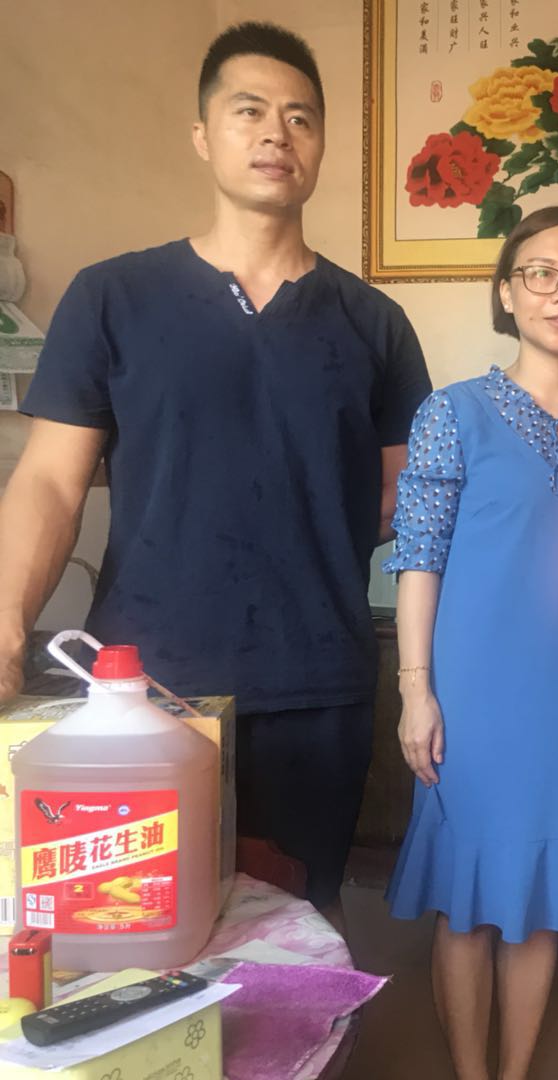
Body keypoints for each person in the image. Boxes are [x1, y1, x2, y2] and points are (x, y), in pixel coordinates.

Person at [0, 22, 432, 923]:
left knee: (296, 933)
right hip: (143, 688)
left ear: (321, 145)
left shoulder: (374, 324)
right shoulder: (113, 297)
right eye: (250, 111)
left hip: (318, 685)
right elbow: (48, 483)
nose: (277, 133)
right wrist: (6, 622)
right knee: (132, 932)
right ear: (203, 135)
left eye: (301, 117)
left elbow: (407, 500)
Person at [385, 206, 558, 1080]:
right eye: (541, 273)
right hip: (475, 693)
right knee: (468, 903)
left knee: (538, 903)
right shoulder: (452, 413)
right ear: (506, 292)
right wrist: (415, 689)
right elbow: (418, 558)